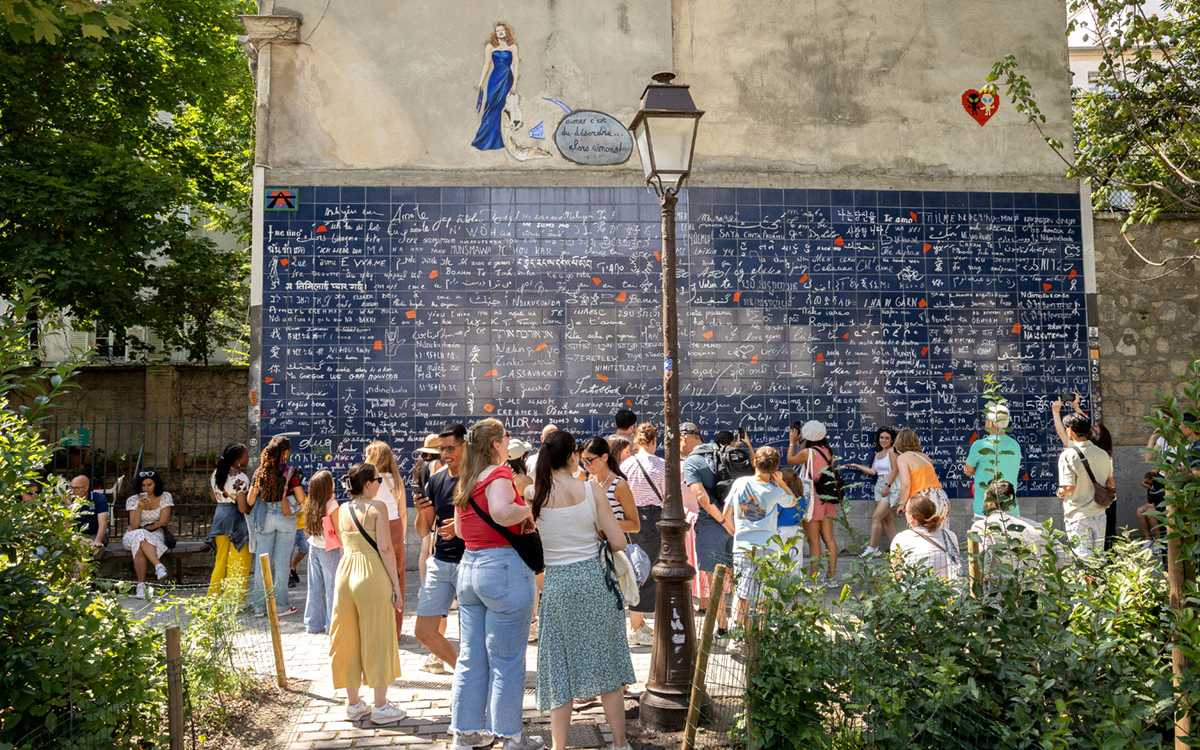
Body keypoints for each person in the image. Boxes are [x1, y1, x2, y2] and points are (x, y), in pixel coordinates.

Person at [531, 431, 634, 750]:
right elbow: (618, 542)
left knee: (559, 667)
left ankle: (559, 747)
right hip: (593, 581)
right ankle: (619, 744)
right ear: (574, 456)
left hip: (557, 583)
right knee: (607, 662)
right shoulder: (592, 490)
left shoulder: (533, 493)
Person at [449, 418, 542, 750]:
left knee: (471, 657)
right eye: (506, 437)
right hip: (502, 567)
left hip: (470, 569)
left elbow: (460, 531)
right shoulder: (500, 475)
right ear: (496, 445)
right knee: (507, 659)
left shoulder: (466, 479)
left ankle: (466, 733)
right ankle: (511, 736)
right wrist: (527, 509)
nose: (508, 441)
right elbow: (503, 512)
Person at [330, 463, 406, 725]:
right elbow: (384, 548)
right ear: (367, 484)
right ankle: (381, 706)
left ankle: (353, 704)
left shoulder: (342, 509)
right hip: (371, 573)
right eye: (378, 480)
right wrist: (396, 585)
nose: (380, 484)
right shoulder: (378, 508)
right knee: (378, 636)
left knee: (347, 638)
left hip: (345, 573)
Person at [722, 447, 796, 625]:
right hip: (768, 547)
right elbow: (793, 501)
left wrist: (734, 531)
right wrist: (782, 484)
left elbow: (726, 513)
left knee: (741, 593)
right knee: (765, 594)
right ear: (775, 468)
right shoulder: (774, 491)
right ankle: (760, 634)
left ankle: (737, 634)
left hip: (743, 546)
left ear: (754, 462)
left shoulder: (740, 483)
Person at [414, 424, 466, 675]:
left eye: (450, 448)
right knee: (423, 631)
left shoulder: (477, 479)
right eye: (441, 449)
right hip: (441, 561)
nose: (445, 454)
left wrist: (459, 527)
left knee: (471, 636)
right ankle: (461, 670)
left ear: (464, 446)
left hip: (471, 562)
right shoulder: (436, 480)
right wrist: (422, 512)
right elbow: (424, 531)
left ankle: (471, 681)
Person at [680, 422, 731, 632]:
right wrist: (731, 523)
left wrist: (722, 521)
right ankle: (743, 624)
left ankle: (723, 628)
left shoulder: (691, 462)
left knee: (714, 577)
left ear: (684, 437)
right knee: (737, 576)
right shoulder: (724, 451)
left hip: (712, 525)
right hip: (738, 523)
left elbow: (701, 497)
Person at [620, 422, 667, 646]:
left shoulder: (626, 464)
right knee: (646, 568)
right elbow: (667, 494)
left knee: (633, 566)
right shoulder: (660, 464)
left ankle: (637, 622)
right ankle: (636, 626)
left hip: (630, 519)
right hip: (651, 518)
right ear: (654, 441)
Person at [248, 436, 304, 617]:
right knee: (281, 563)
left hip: (264, 517)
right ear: (286, 452)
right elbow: (301, 498)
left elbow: (250, 500)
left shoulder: (260, 472)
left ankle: (259, 607)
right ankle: (280, 607)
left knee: (261, 562)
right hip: (285, 517)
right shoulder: (291, 472)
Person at [1053, 394, 1116, 548]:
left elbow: (1068, 488)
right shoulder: (1104, 455)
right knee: (1098, 557)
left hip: (1079, 514)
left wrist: (1060, 492)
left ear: (1070, 431)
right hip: (1100, 513)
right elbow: (1111, 483)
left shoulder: (1069, 454)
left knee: (1083, 560)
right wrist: (1076, 407)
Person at [787, 420, 838, 584]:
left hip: (813, 500)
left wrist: (792, 442)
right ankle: (831, 577)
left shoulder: (807, 452)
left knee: (813, 540)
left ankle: (813, 578)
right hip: (827, 499)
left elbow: (790, 460)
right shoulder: (828, 451)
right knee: (829, 539)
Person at [365, 440, 408, 637]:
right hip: (396, 526)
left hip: (377, 527)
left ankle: (379, 628)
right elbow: (403, 512)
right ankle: (396, 629)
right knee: (398, 577)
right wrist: (402, 536)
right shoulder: (396, 480)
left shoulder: (371, 481)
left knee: (378, 575)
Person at [206, 443, 251, 600]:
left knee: (221, 559)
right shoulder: (241, 478)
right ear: (238, 460)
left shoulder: (215, 474)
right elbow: (242, 508)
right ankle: (233, 599)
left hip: (219, 518)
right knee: (238, 559)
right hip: (236, 521)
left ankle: (213, 596)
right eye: (246, 455)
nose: (248, 457)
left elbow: (213, 497)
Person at [845, 427, 899, 559]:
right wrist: (857, 466)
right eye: (881, 438)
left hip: (889, 485)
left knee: (876, 517)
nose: (883, 440)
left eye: (886, 438)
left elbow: (895, 470)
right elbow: (873, 471)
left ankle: (872, 548)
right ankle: (897, 550)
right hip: (879, 485)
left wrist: (887, 485)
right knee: (888, 519)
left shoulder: (892, 452)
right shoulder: (878, 453)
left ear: (892, 440)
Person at [967, 479, 1044, 571]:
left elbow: (981, 561)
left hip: (1002, 584)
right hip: (1036, 583)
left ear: (990, 502)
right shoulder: (1037, 527)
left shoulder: (982, 526)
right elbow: (1062, 556)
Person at [964, 404, 1022, 517]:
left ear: (990, 423)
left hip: (984, 510)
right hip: (1011, 509)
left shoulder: (980, 445)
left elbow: (968, 470)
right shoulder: (1015, 445)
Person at [303, 470, 343, 635]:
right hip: (330, 549)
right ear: (328, 486)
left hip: (314, 547)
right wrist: (344, 547)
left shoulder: (310, 503)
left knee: (314, 587)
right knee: (332, 587)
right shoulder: (331, 504)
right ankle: (332, 625)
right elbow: (338, 528)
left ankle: (312, 624)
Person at [122, 470, 173, 599]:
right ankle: (158, 565)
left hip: (155, 533)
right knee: (139, 535)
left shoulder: (165, 496)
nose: (146, 488)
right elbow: (133, 526)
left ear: (156, 484)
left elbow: (163, 521)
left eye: (149, 485)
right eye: (143, 485)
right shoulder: (133, 500)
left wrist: (147, 527)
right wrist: (139, 508)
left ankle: (141, 586)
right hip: (133, 533)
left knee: (139, 544)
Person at [891, 490, 960, 580]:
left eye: (906, 510)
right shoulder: (950, 535)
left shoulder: (901, 539)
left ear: (911, 518)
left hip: (915, 591)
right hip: (947, 590)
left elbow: (896, 574)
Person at [472, 22, 519, 151]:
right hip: (494, 79)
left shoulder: (513, 47)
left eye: (502, 30)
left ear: (506, 32)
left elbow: (515, 66)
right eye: (498, 31)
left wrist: (514, 84)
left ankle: (501, 139)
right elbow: (486, 65)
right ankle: (484, 139)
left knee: (503, 107)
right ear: (495, 33)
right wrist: (481, 82)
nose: (500, 32)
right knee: (491, 106)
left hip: (507, 79)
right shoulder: (490, 46)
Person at [893, 429, 949, 536]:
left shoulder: (903, 458)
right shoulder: (925, 457)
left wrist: (902, 503)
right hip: (941, 496)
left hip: (922, 499)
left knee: (920, 536)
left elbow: (906, 483)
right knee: (942, 535)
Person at [579, 437, 639, 534]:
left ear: (604, 457)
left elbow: (635, 526)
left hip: (612, 545)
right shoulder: (591, 479)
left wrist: (605, 524)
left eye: (589, 460)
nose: (585, 466)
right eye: (582, 461)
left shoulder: (619, 485)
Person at [413, 434, 443, 593]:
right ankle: (433, 587)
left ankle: (423, 586)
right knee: (433, 550)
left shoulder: (420, 463)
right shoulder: (436, 464)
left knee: (424, 550)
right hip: (433, 509)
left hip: (422, 507)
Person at [68, 474, 109, 549]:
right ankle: (94, 547)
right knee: (73, 538)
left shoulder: (98, 498)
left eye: (76, 488)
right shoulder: (68, 500)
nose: (72, 491)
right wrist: (69, 505)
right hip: (75, 536)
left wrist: (97, 541)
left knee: (80, 545)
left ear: (86, 488)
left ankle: (94, 547)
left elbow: (103, 523)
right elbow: (67, 526)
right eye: (71, 487)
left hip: (95, 534)